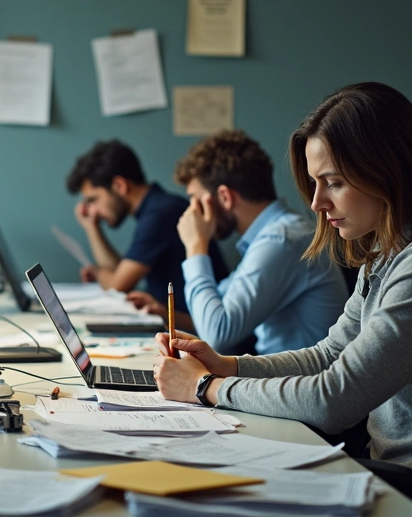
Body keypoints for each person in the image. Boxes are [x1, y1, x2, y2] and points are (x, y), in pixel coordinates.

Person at [153, 82, 412, 490]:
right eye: (315, 183)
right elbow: (329, 355)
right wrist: (227, 365)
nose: (317, 202)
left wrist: (204, 387)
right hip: (382, 473)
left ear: (387, 171)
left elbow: (332, 400)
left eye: (333, 182)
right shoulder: (391, 254)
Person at [133, 129, 348, 355]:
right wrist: (164, 314)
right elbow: (217, 313)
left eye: (195, 200)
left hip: (296, 383)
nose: (191, 212)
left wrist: (196, 246)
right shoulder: (272, 235)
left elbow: (216, 335)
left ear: (225, 197)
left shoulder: (281, 241)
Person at [66, 140, 227, 320]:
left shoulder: (160, 215)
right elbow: (117, 272)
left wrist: (98, 272)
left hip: (196, 332)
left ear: (120, 185)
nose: (91, 210)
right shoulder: (156, 208)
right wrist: (92, 228)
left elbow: (116, 286)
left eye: (93, 200)